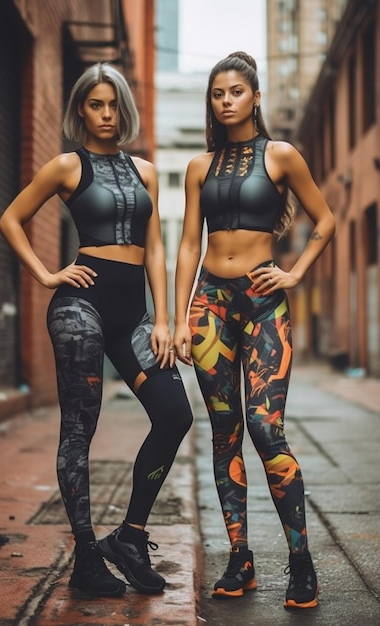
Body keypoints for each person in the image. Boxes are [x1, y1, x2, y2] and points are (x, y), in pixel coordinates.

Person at [0, 62, 193, 598]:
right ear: (80, 109)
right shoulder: (66, 166)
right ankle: (87, 557)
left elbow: (154, 247)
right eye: (95, 105)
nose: (106, 115)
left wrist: (161, 318)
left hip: (133, 314)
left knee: (175, 414)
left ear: (123, 108)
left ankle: (129, 537)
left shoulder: (146, 171)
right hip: (79, 308)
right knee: (79, 431)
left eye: (113, 105)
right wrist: (46, 273)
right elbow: (11, 218)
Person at [174, 51, 335, 609]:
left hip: (266, 304)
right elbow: (189, 245)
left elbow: (327, 220)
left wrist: (294, 272)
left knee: (267, 431)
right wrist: (178, 317)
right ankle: (239, 557)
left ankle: (300, 559)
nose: (226, 100)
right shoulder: (200, 167)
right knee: (225, 434)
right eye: (218, 93)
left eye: (236, 91)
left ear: (255, 97)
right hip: (211, 308)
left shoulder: (282, 155)